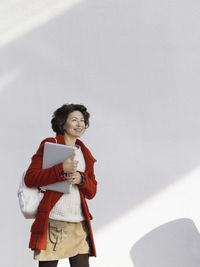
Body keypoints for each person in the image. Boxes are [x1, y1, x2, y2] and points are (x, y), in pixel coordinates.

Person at [24, 104, 97, 267]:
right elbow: (30, 178)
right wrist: (60, 169)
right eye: (74, 120)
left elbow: (92, 192)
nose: (80, 124)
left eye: (82, 121)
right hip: (54, 224)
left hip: (79, 224)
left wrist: (82, 179)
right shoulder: (50, 145)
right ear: (63, 123)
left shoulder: (85, 153)